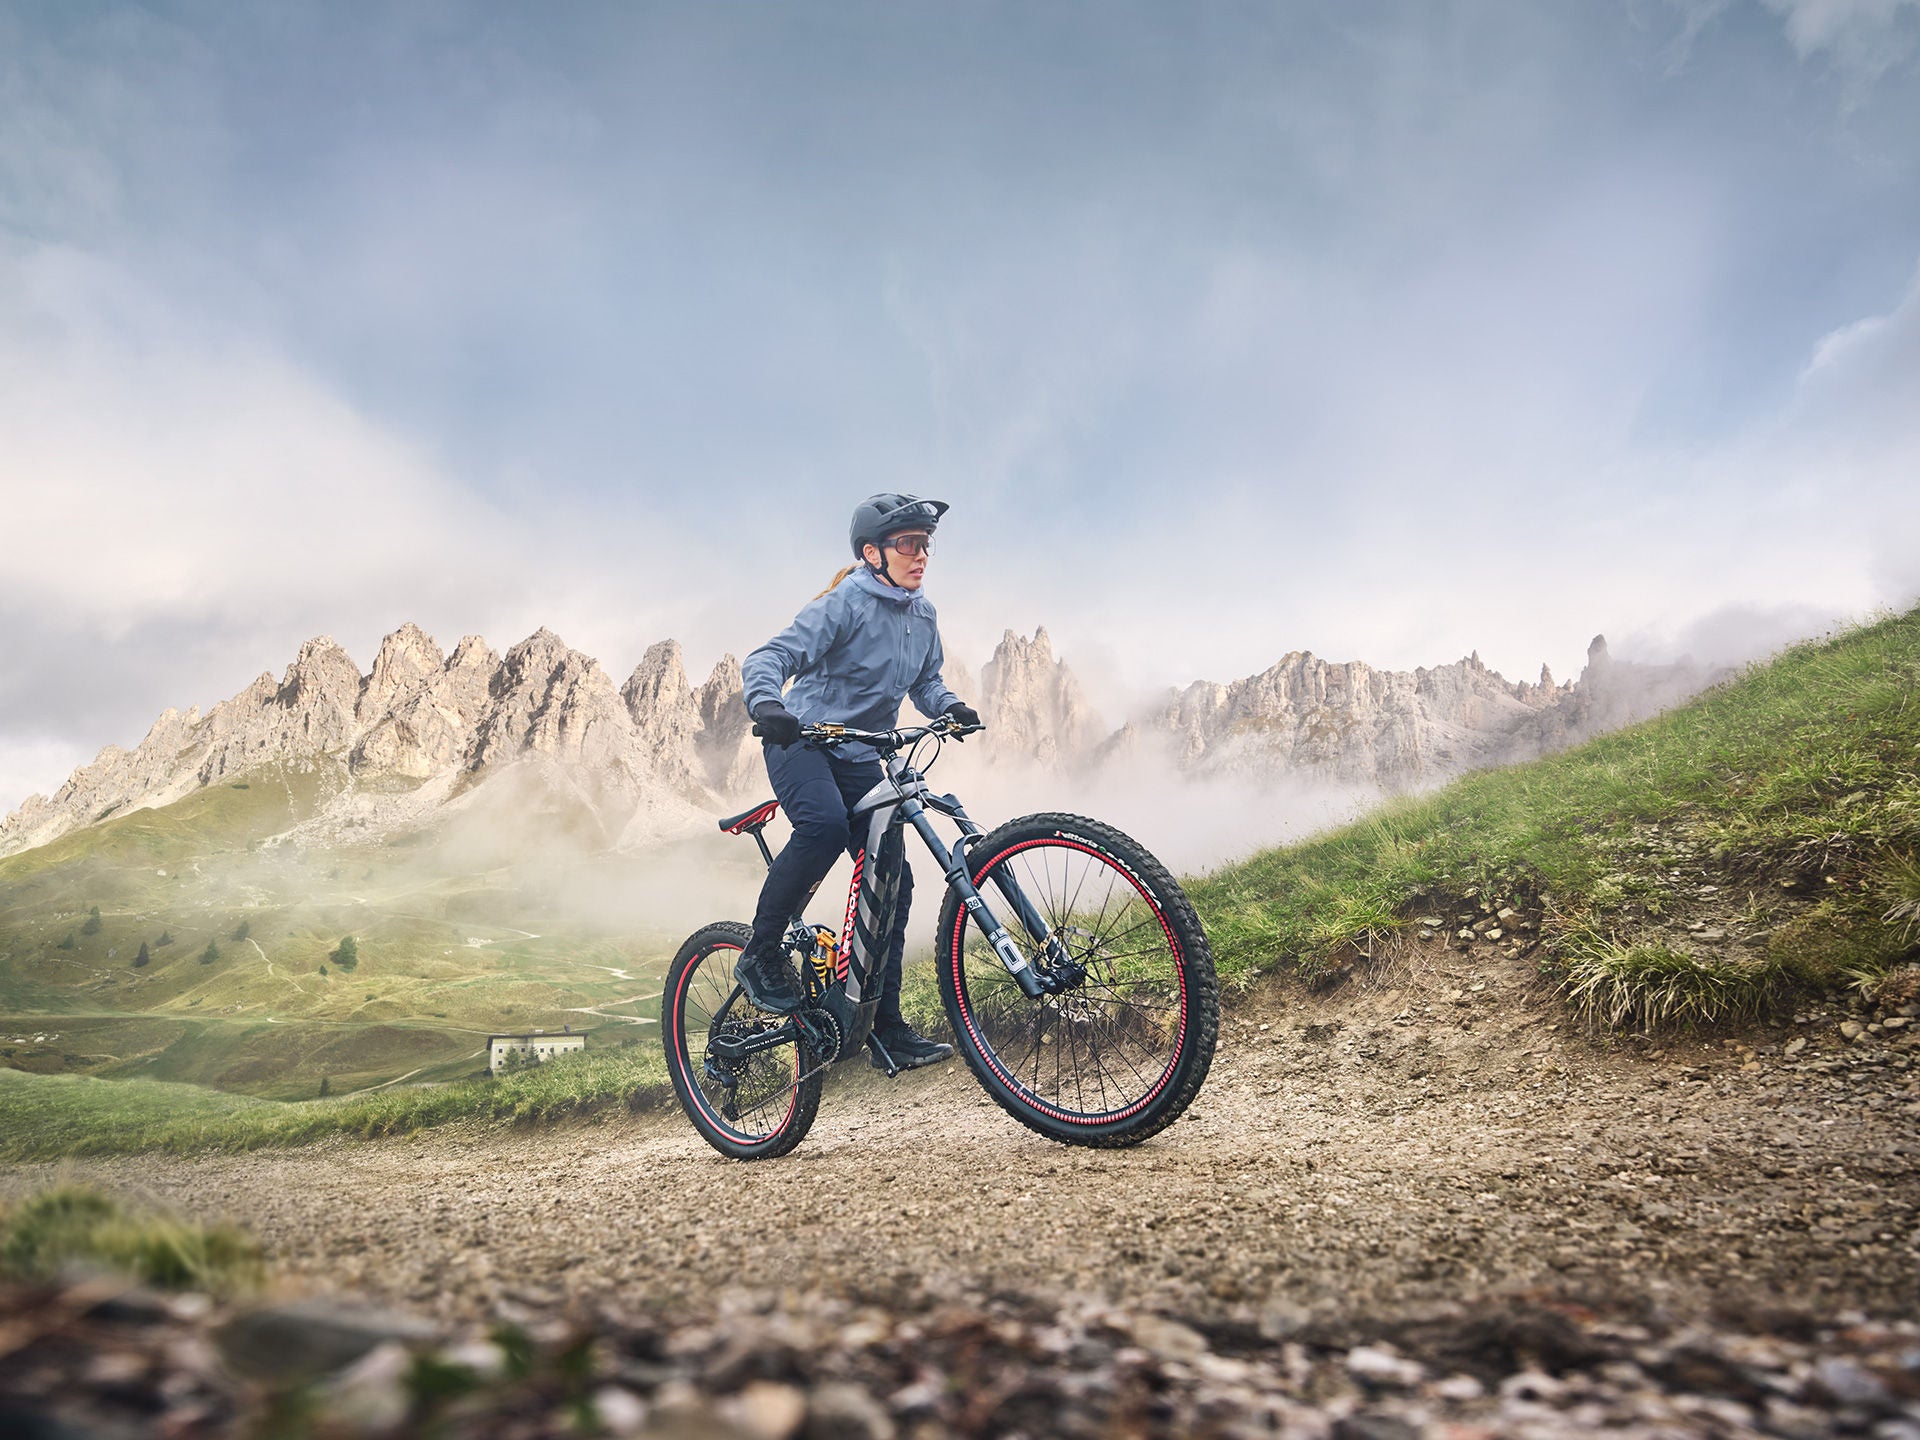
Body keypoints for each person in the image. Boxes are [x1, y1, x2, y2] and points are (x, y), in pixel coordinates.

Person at [735, 493, 982, 1070]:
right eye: (908, 544)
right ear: (873, 553)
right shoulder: (844, 603)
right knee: (821, 827)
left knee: (892, 882)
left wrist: (950, 707)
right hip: (801, 743)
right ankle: (760, 953)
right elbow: (770, 656)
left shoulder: (923, 616)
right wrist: (769, 703)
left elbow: (927, 682)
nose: (921, 555)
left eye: (926, 544)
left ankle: (884, 1026)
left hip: (862, 755)